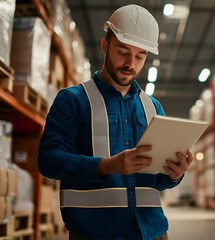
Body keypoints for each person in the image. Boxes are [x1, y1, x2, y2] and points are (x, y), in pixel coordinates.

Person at [38, 4, 194, 240]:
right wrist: (106, 166)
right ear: (105, 45)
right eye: (123, 51)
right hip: (94, 234)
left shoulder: (153, 107)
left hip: (152, 233)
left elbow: (158, 182)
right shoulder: (73, 100)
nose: (131, 63)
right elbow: (48, 161)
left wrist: (175, 174)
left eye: (140, 56)